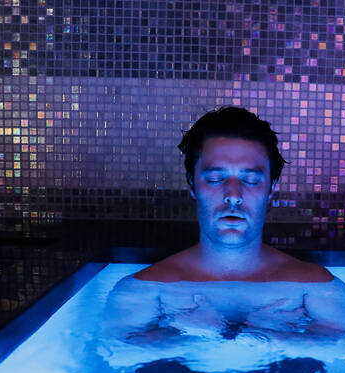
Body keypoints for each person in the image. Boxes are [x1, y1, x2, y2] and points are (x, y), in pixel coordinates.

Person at [135, 106, 333, 283]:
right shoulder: (148, 288)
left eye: (251, 180)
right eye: (215, 178)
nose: (233, 195)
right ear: (192, 184)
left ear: (271, 188)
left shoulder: (314, 287)